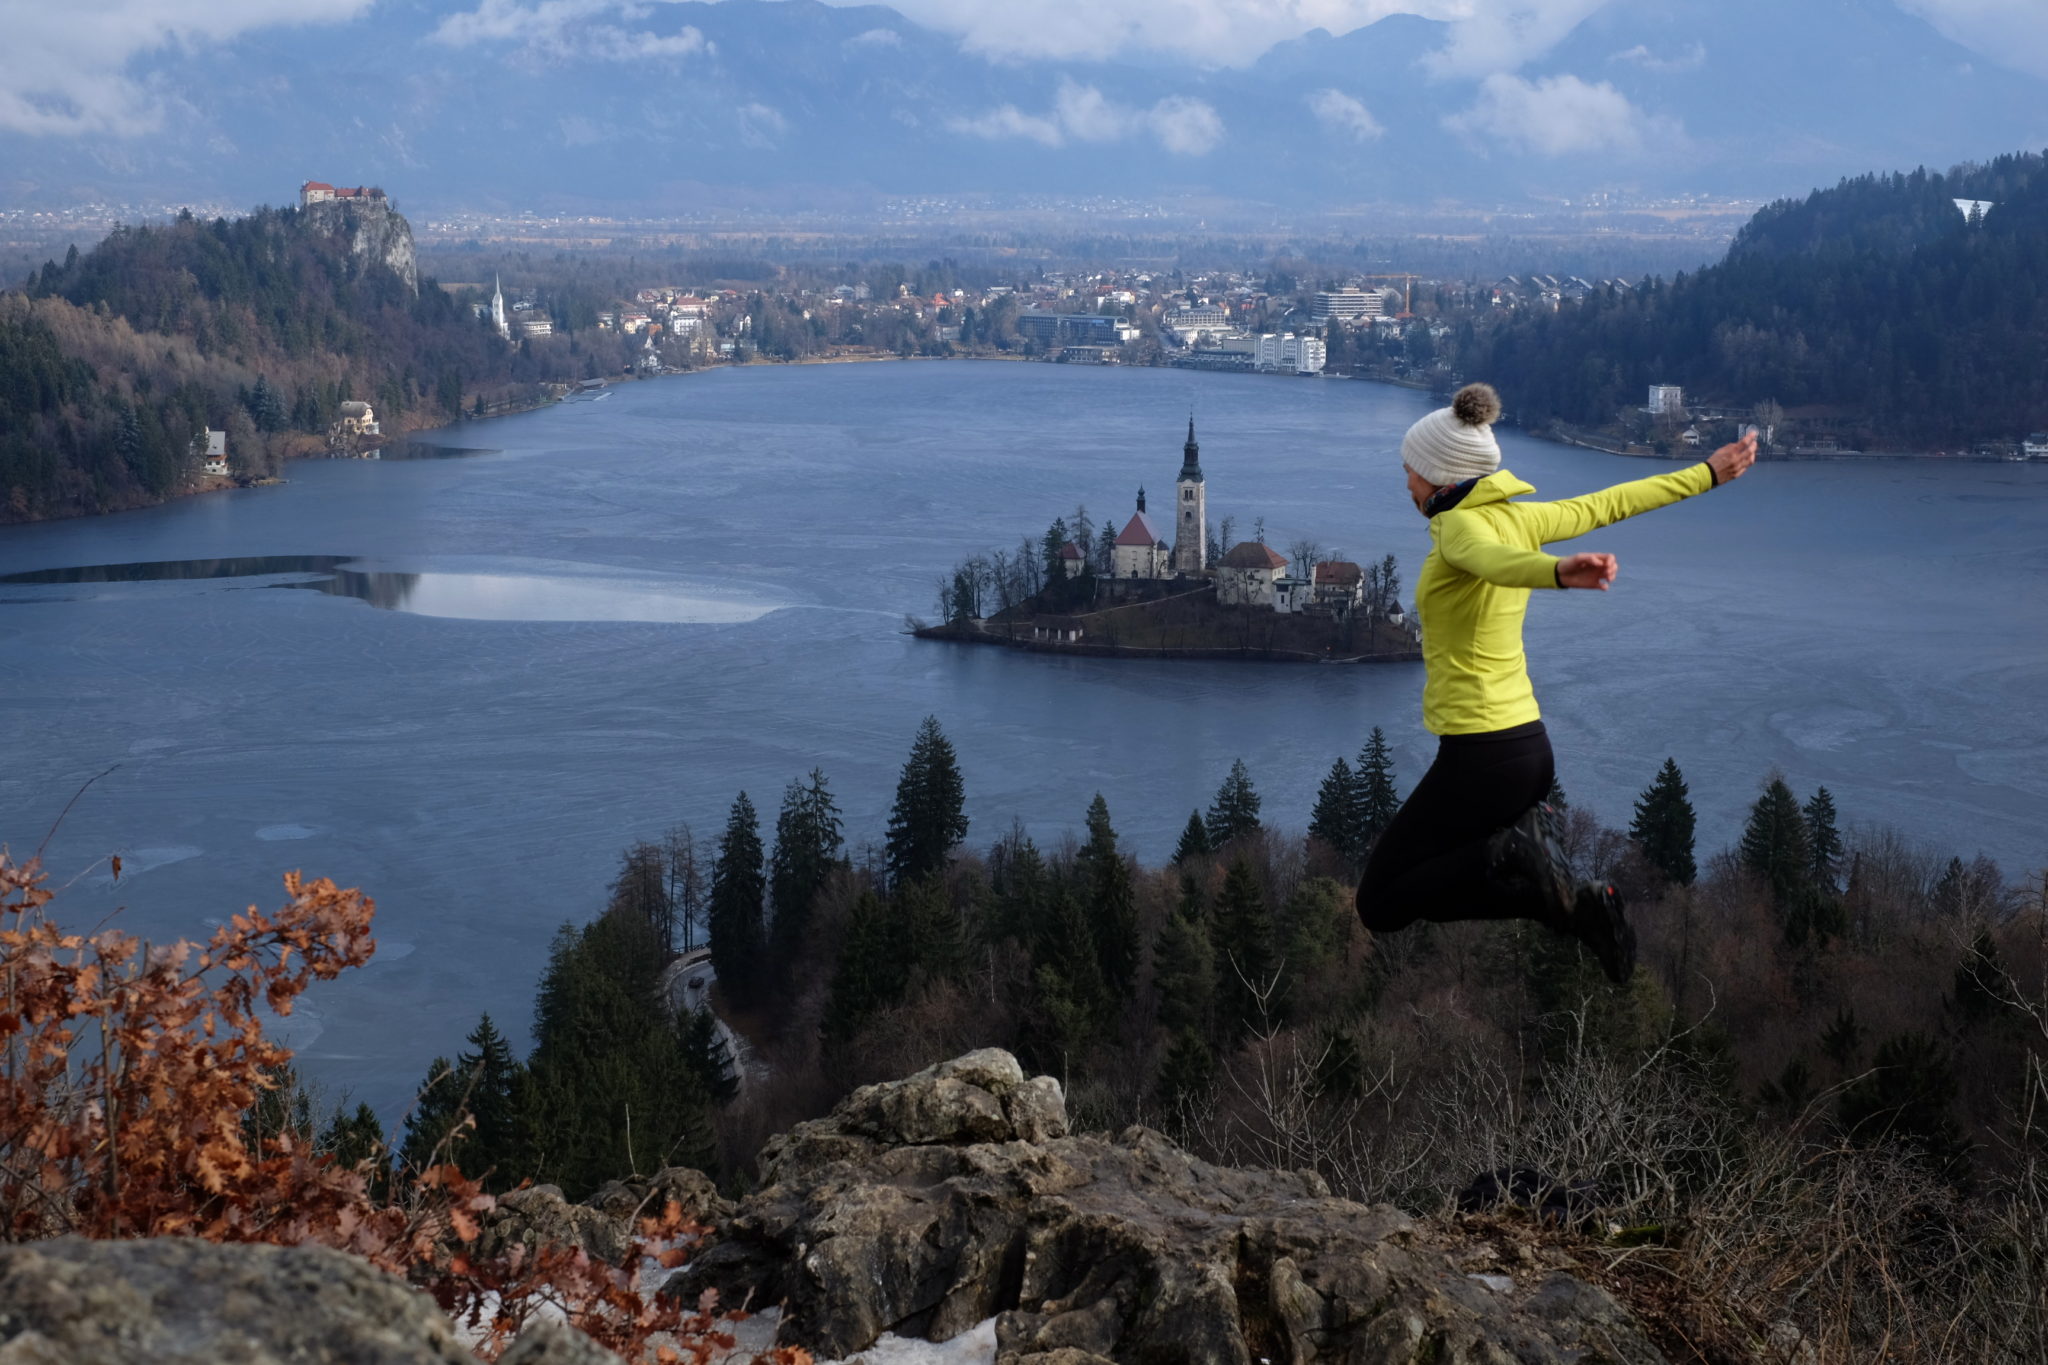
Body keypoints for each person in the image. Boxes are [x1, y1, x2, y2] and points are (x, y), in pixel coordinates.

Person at [1356, 383, 1757, 983]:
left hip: (1482, 755)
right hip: (1526, 750)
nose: (1406, 484)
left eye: (1411, 473)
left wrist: (1555, 574)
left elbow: (1496, 563)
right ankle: (1570, 905)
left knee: (1380, 903)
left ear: (1442, 478)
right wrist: (1705, 474)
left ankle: (1515, 853)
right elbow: (1609, 502)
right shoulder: (1521, 518)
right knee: (1415, 890)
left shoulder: (1462, 530)